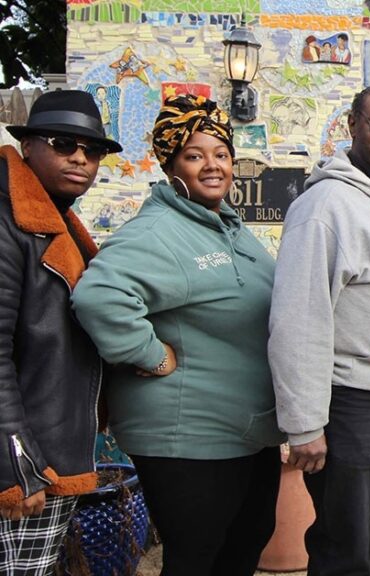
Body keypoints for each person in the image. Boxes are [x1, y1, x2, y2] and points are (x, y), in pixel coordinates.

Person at [71, 94, 284, 575]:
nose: (213, 167)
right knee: (196, 558)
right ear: (171, 166)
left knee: (244, 545)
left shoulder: (223, 225)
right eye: (194, 156)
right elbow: (99, 296)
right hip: (189, 436)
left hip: (244, 433)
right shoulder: (161, 230)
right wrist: (151, 355)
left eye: (222, 155)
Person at [269, 83, 370, 576]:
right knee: (344, 547)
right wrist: (305, 425)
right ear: (351, 125)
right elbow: (298, 317)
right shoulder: (324, 207)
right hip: (351, 401)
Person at [0, 89, 119, 575]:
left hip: (49, 455)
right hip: (27, 464)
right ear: (28, 146)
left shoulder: (55, 222)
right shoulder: (10, 224)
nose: (80, 158)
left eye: (92, 151)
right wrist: (17, 464)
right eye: (63, 142)